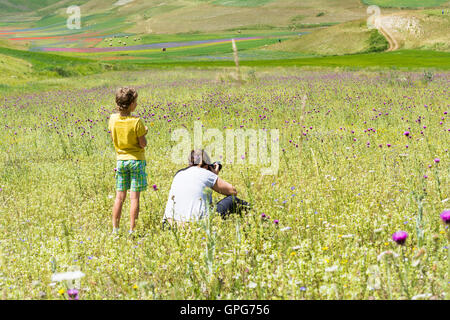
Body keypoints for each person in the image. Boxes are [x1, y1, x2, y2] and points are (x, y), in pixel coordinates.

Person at [163, 150, 250, 227]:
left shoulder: (179, 174)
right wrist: (214, 175)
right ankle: (255, 217)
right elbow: (233, 191)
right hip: (193, 226)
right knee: (232, 200)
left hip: (168, 225)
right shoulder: (205, 173)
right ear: (205, 164)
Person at [108, 87, 148, 235]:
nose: (136, 104)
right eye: (135, 102)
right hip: (136, 161)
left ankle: (115, 229)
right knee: (134, 198)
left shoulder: (112, 119)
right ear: (131, 104)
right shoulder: (137, 122)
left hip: (121, 161)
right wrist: (144, 132)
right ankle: (132, 230)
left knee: (119, 197)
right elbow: (142, 144)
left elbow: (114, 138)